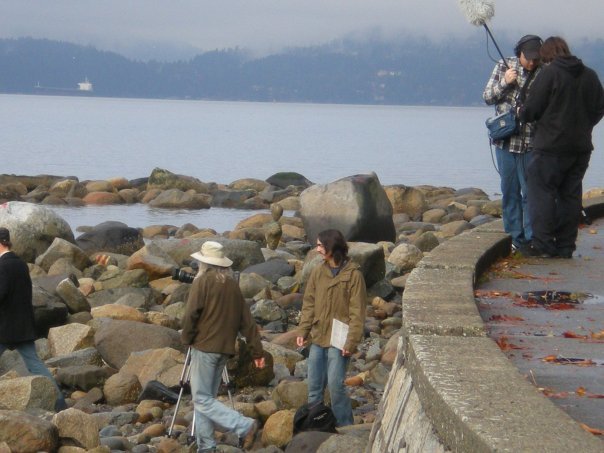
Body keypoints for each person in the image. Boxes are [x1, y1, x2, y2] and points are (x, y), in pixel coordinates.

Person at [518, 36, 604, 258]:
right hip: (580, 148)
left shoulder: (550, 74)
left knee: (541, 193)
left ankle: (543, 244)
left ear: (546, 56)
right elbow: (599, 108)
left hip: (550, 146)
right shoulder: (590, 75)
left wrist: (522, 111)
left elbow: (532, 110)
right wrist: (585, 125)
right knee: (570, 195)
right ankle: (566, 245)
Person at [181, 241, 266, 452]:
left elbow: (191, 314)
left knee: (201, 400)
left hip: (204, 346)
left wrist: (187, 338)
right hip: (224, 349)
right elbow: (247, 321)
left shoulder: (202, 282)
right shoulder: (232, 285)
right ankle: (206, 446)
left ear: (204, 263)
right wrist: (257, 351)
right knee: (206, 399)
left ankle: (244, 425)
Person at [296, 229, 366, 427]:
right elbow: (309, 303)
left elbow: (357, 312)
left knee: (336, 387)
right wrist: (303, 331)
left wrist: (351, 342)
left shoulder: (354, 275)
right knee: (314, 388)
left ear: (331, 247)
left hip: (340, 340)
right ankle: (316, 425)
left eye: (320, 245)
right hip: (318, 336)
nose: (317, 249)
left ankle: (345, 427)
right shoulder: (318, 272)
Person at [483, 34, 543, 251]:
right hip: (505, 142)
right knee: (509, 192)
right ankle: (515, 238)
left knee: (531, 193)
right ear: (520, 53)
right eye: (529, 58)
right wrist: (505, 82)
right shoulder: (503, 65)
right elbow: (487, 97)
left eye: (536, 58)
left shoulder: (543, 72)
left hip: (530, 143)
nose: (532, 62)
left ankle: (531, 238)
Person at [0, 227, 68, 412]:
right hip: (23, 325)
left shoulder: (3, 266)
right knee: (35, 365)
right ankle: (59, 402)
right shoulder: (20, 264)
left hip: (5, 327)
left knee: (34, 364)